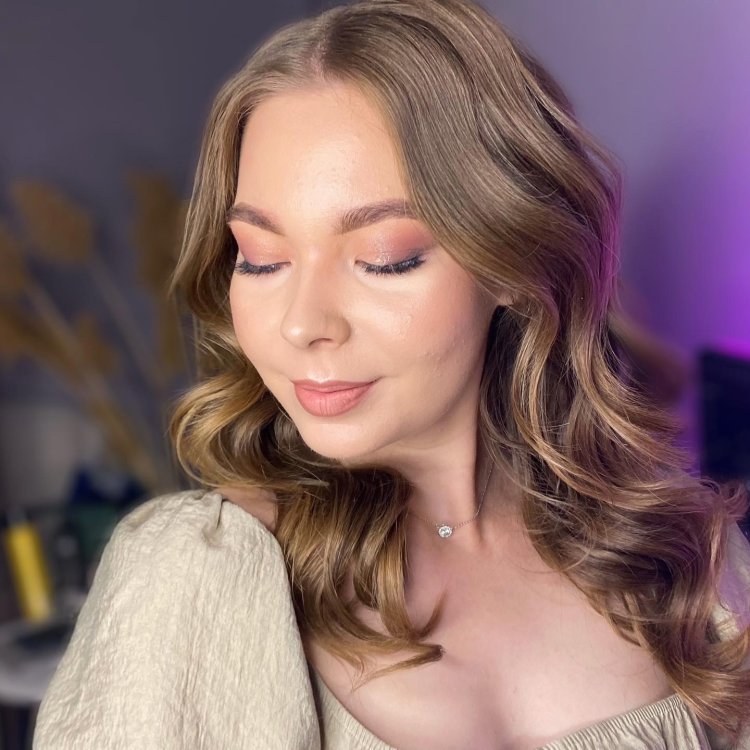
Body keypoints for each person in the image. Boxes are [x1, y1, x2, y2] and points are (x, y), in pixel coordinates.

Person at [33, 0, 750, 748]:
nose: (303, 323)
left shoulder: (683, 558)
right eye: (261, 259)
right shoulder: (194, 575)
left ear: (514, 261)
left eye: (384, 258)